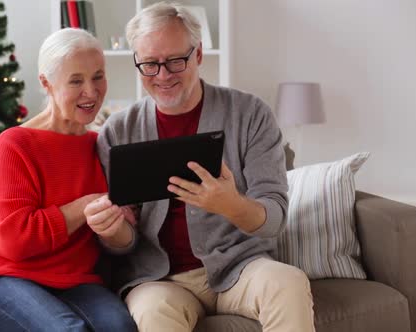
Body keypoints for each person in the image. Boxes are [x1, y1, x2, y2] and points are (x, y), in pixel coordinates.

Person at [89, 2, 315, 331]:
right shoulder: (118, 131)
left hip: (242, 267)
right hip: (159, 280)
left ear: (197, 56)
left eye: (176, 61)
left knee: (288, 283)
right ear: (138, 64)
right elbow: (125, 244)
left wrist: (231, 205)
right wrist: (113, 232)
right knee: (153, 313)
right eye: (150, 64)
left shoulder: (250, 114)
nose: (163, 75)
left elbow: (274, 218)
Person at [0, 28, 137, 332]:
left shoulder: (102, 145)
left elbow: (125, 240)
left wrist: (115, 229)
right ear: (46, 83)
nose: (91, 92)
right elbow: (15, 242)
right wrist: (85, 206)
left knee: (121, 328)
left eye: (98, 76)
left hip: (74, 280)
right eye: (76, 81)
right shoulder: (14, 145)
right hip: (0, 276)